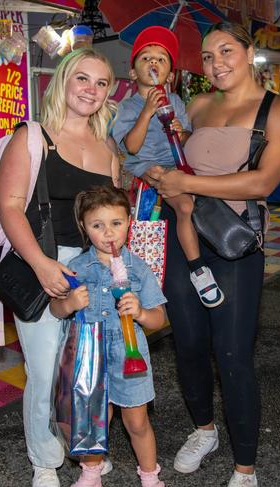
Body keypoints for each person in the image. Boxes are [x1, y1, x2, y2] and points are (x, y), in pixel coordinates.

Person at [147, 22, 280, 487]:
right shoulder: (196, 105)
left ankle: (245, 468)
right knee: (189, 345)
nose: (216, 64)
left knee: (232, 353)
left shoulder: (278, 109)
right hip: (183, 237)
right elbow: (184, 164)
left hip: (233, 243)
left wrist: (186, 183)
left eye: (226, 51)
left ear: (249, 52)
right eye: (208, 57)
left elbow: (262, 183)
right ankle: (204, 431)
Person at [0, 48, 120, 487]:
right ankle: (44, 460)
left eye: (101, 82)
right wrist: (42, 265)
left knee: (88, 367)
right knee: (46, 369)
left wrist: (120, 271)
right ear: (63, 82)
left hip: (93, 269)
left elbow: (114, 219)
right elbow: (9, 207)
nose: (91, 89)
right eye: (82, 79)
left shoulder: (108, 148)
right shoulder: (32, 137)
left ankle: (87, 449)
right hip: (42, 261)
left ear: (109, 92)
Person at [50, 185, 167, 487]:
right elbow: (55, 310)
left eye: (116, 223)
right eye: (97, 225)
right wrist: (69, 303)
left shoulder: (139, 269)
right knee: (92, 420)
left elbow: (159, 319)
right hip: (89, 352)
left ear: (129, 221)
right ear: (84, 227)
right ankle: (91, 473)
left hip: (130, 355)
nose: (108, 233)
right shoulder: (75, 269)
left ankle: (150, 476)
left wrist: (141, 312)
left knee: (137, 421)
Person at [112, 26, 224, 308]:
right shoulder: (127, 107)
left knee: (198, 201)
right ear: (134, 72)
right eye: (146, 58)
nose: (154, 63)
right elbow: (132, 147)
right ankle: (198, 269)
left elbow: (186, 139)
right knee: (185, 207)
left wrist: (181, 131)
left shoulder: (175, 101)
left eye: (162, 59)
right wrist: (147, 111)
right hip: (147, 168)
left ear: (170, 75)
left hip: (174, 165)